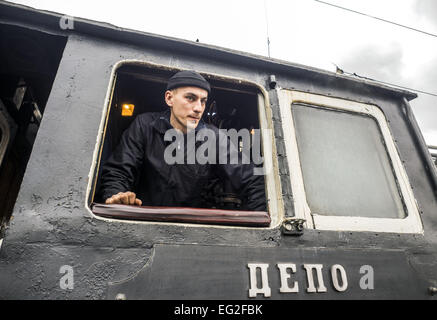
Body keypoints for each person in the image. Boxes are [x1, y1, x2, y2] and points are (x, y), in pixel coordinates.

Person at [98, 70, 266, 211]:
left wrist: (258, 228)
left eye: (203, 101)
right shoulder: (144, 125)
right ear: (169, 98)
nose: (198, 108)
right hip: (145, 221)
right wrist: (116, 196)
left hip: (189, 228)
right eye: (190, 98)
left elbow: (252, 179)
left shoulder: (214, 137)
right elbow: (118, 170)